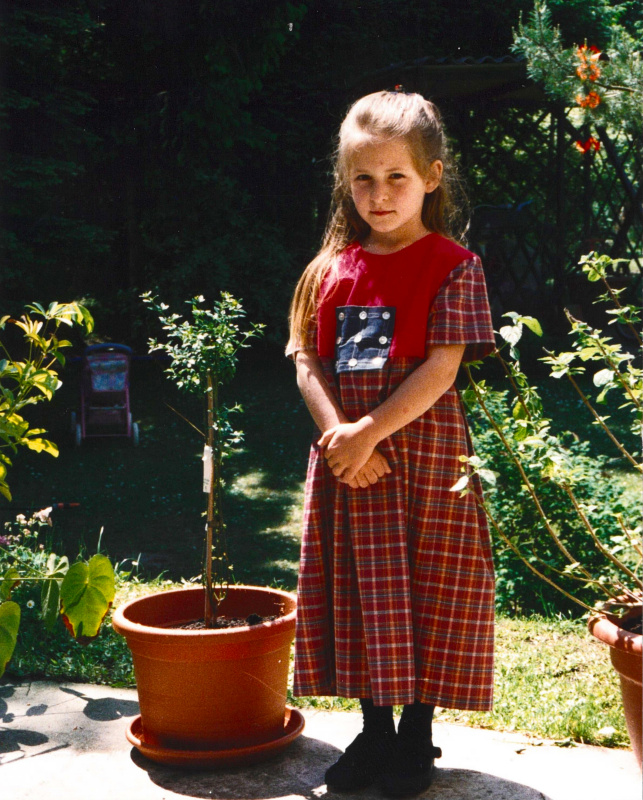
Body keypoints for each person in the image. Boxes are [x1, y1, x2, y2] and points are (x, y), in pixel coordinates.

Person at [286, 89, 495, 798]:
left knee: (425, 587)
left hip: (425, 458)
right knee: (360, 590)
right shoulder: (329, 271)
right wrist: (340, 439)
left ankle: (415, 734)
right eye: (363, 179)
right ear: (345, 182)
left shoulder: (452, 265)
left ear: (431, 177)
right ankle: (373, 731)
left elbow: (442, 366)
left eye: (396, 177)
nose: (379, 195)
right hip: (352, 465)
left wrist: (371, 430)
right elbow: (306, 361)